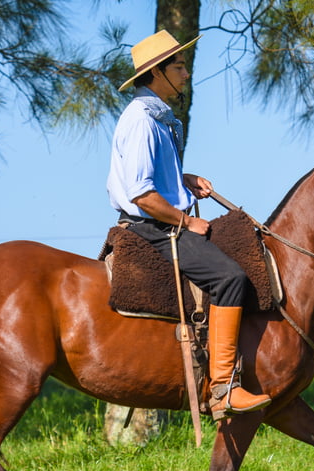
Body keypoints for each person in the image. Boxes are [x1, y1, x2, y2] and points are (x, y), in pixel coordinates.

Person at [107, 30, 271, 418]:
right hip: (153, 229)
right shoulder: (142, 122)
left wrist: (182, 178)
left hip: (163, 222)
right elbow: (142, 196)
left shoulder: (157, 117)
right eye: (179, 66)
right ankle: (224, 388)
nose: (185, 72)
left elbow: (151, 179)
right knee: (231, 277)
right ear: (157, 73)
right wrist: (184, 221)